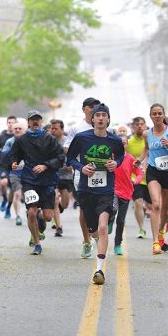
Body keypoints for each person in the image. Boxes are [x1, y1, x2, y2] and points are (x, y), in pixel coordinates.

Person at [67, 103, 124, 285]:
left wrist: (116, 164)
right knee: (93, 233)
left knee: (102, 227)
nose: (100, 118)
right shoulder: (82, 138)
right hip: (86, 189)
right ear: (92, 119)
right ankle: (95, 235)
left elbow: (121, 157)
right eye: (97, 115)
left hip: (106, 190)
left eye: (103, 115)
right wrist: (81, 167)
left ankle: (99, 269)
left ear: (108, 119)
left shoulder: (114, 140)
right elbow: (69, 158)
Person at [10, 110, 65, 255]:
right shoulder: (21, 140)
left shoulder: (50, 139)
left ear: (41, 122)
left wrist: (46, 165)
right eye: (32, 120)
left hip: (47, 181)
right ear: (28, 122)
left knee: (47, 217)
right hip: (29, 180)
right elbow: (14, 156)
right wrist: (14, 163)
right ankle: (37, 243)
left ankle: (41, 214)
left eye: (38, 120)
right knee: (31, 212)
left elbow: (60, 158)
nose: (35, 122)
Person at [136, 103, 168, 255]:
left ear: (163, 115)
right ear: (150, 116)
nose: (157, 116)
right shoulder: (147, 134)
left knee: (166, 210)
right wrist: (140, 159)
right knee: (156, 205)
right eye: (154, 114)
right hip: (154, 171)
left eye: (159, 113)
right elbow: (146, 148)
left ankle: (161, 233)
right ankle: (155, 242)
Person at [64, 97, 100, 258]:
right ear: (84, 109)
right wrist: (79, 153)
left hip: (102, 174)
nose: (94, 110)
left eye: (97, 107)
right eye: (91, 107)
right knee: (85, 207)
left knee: (101, 206)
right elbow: (66, 147)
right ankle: (86, 241)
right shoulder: (77, 128)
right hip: (82, 172)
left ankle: (99, 230)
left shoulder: (103, 125)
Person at [109, 135, 143, 255]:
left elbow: (139, 173)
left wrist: (136, 180)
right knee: (113, 208)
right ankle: (110, 219)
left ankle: (118, 244)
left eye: (124, 143)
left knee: (121, 220)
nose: (122, 145)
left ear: (127, 145)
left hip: (127, 191)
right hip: (113, 190)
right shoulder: (111, 157)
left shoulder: (130, 158)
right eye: (120, 143)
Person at [126, 117, 152, 239]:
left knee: (153, 206)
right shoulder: (129, 143)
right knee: (138, 202)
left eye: (142, 124)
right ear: (133, 127)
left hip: (151, 177)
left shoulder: (151, 141)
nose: (140, 126)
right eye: (137, 124)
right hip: (136, 178)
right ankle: (141, 228)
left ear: (146, 126)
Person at [50, 119, 74, 237]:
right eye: (52, 128)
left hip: (66, 176)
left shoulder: (67, 142)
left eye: (56, 129)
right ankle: (59, 227)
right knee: (54, 200)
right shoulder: (49, 142)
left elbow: (73, 157)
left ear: (62, 129)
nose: (53, 131)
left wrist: (72, 165)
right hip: (53, 174)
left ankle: (58, 208)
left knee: (64, 204)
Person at [0, 122, 27, 225]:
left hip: (28, 172)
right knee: (17, 193)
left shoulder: (29, 141)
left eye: (20, 128)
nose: (17, 130)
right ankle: (18, 216)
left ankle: (30, 211)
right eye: (16, 128)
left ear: (25, 130)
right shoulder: (9, 141)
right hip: (15, 172)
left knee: (26, 195)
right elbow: (3, 157)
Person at [0, 115, 17, 215]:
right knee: (3, 183)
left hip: (14, 166)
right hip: (3, 164)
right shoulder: (2, 136)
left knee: (12, 189)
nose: (11, 125)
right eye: (9, 122)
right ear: (7, 123)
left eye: (13, 123)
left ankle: (8, 207)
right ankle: (4, 199)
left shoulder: (18, 136)